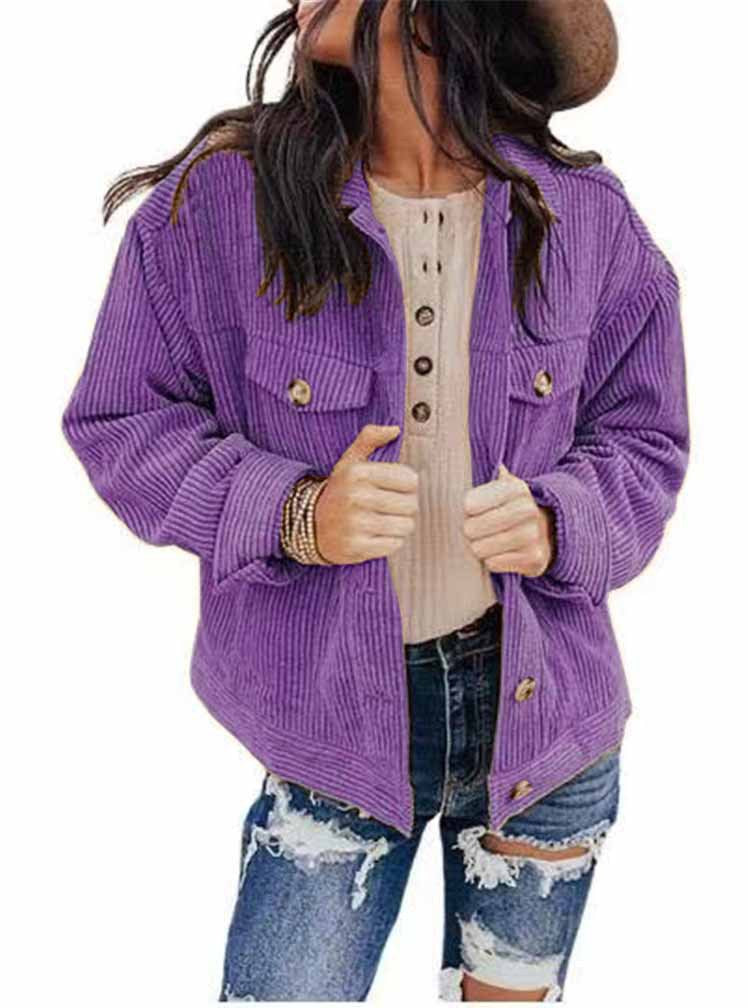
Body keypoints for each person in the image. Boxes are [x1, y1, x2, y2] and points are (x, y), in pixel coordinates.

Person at [61, 1, 689, 1000]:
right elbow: (121, 421)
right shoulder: (218, 206)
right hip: (332, 727)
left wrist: (561, 520)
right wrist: (295, 514)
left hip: (545, 730)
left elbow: (645, 434)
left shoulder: (586, 216)